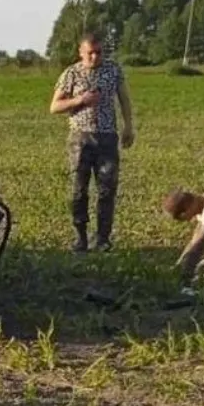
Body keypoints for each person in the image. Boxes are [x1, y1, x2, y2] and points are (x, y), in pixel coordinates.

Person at [49, 33, 135, 253]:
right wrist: (79, 100)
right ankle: (80, 237)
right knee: (79, 190)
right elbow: (54, 107)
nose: (95, 57)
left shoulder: (113, 70)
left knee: (107, 189)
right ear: (81, 52)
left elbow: (124, 99)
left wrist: (128, 126)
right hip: (80, 138)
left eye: (99, 52)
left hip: (107, 137)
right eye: (90, 53)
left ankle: (103, 238)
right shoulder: (71, 73)